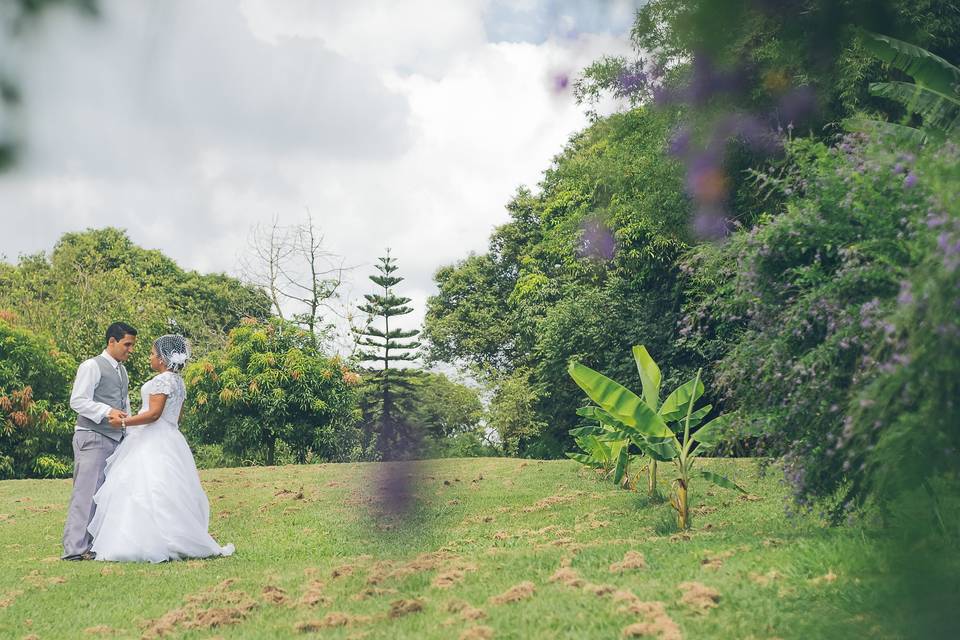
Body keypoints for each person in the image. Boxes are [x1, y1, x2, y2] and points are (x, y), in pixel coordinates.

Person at [87, 334, 235, 563]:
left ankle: (146, 541)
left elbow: (154, 415)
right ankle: (173, 537)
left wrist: (124, 422)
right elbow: (177, 415)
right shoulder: (178, 381)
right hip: (171, 437)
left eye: (152, 354)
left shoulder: (162, 380)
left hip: (153, 438)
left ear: (163, 359)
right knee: (168, 487)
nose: (150, 358)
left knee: (147, 486)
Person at [62, 322, 136, 561]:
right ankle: (75, 550)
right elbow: (78, 400)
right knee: (87, 494)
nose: (130, 350)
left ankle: (93, 546)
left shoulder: (122, 371)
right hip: (93, 437)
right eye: (127, 344)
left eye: (132, 345)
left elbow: (124, 405)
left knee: (105, 496)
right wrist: (106, 412)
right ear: (111, 342)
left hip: (115, 439)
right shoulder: (91, 365)